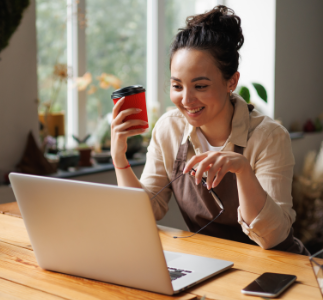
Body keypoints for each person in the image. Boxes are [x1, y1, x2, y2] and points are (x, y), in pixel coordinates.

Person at [110, 5, 309, 255]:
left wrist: (243, 170)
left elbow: (273, 236)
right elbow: (144, 212)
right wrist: (119, 160)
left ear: (231, 82)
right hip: (211, 264)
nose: (186, 99)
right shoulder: (168, 129)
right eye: (177, 85)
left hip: (276, 267)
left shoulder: (269, 137)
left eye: (201, 86)